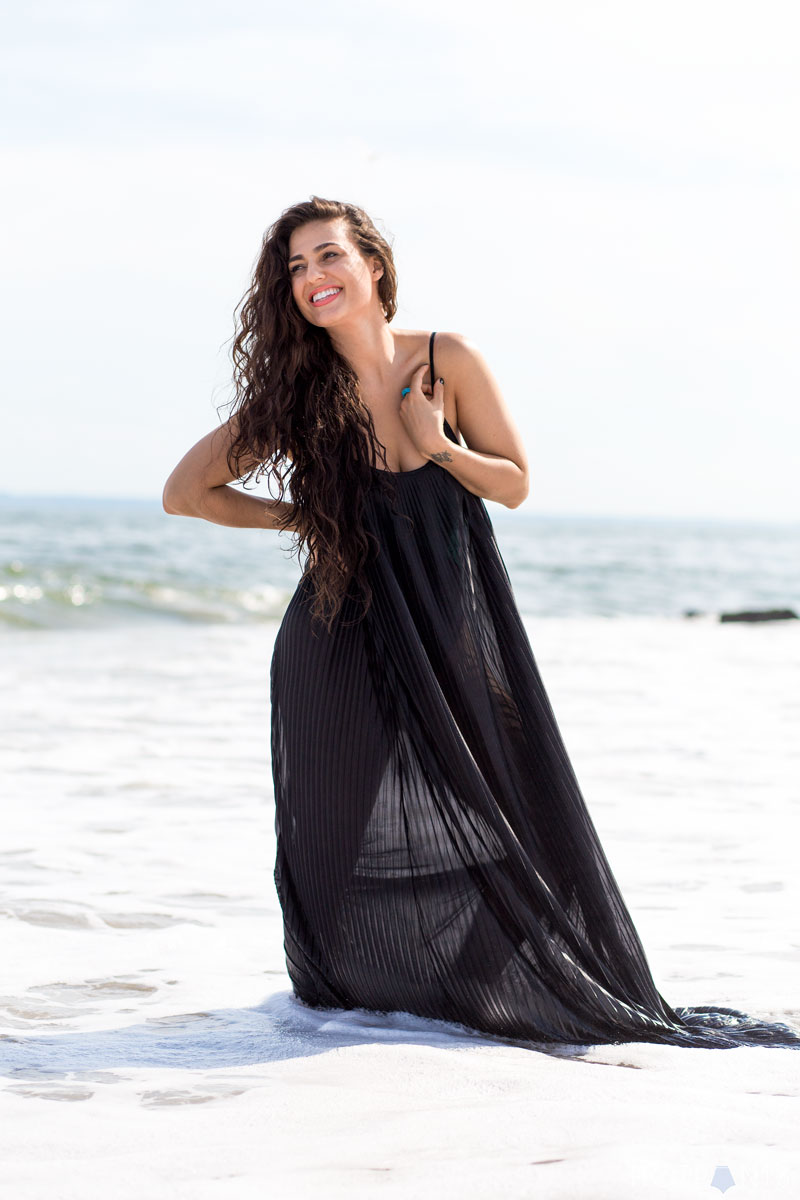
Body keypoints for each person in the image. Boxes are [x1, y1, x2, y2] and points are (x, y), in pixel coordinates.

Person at [163, 196, 799, 1050]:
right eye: (296, 269)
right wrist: (311, 518)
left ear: (373, 266)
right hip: (335, 635)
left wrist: (440, 445)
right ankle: (339, 1020)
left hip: (449, 621)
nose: (312, 278)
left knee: (506, 796)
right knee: (330, 833)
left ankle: (503, 986)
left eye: (327, 257)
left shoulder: (444, 360)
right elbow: (185, 494)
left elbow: (514, 481)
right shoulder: (298, 394)